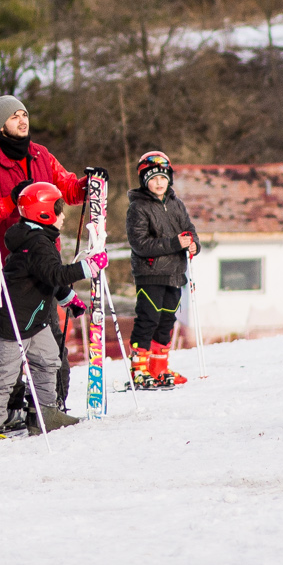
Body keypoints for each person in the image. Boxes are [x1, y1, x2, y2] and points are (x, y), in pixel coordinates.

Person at [0, 183, 97, 445]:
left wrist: (67, 297)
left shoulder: (35, 238)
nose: (63, 216)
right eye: (58, 210)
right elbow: (55, 273)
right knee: (4, 376)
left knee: (49, 360)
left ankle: (45, 412)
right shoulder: (38, 243)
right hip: (12, 323)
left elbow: (47, 277)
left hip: (34, 319)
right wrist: (88, 267)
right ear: (43, 213)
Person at [0, 96, 99, 305]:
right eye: (14, 117)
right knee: (11, 333)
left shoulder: (41, 155)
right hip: (7, 267)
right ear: (1, 126)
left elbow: (69, 190)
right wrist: (12, 200)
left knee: (49, 332)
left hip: (44, 262)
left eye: (24, 115)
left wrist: (90, 184)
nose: (22, 121)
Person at [124, 149, 200, 390]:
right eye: (153, 178)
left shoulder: (176, 204)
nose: (159, 183)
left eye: (163, 177)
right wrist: (174, 244)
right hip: (151, 273)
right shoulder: (138, 207)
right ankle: (139, 369)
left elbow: (189, 229)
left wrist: (194, 245)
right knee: (149, 318)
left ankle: (159, 368)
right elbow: (140, 244)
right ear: (145, 181)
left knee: (167, 320)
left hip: (175, 274)